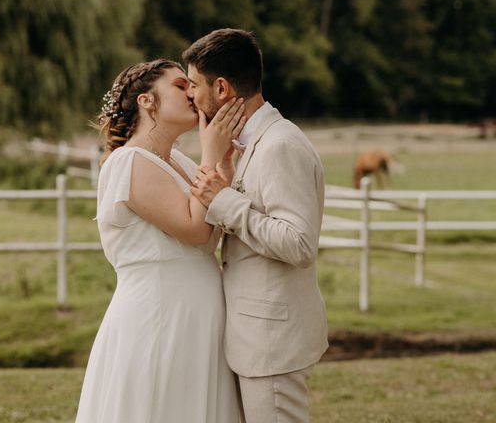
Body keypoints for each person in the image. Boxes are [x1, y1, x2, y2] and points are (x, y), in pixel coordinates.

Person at [75, 59, 245, 423]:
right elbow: (195, 228)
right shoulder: (126, 162)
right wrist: (211, 154)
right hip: (158, 317)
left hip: (199, 316)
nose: (192, 93)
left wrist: (222, 170)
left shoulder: (181, 162)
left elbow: (209, 237)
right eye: (180, 86)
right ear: (146, 101)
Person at [185, 29, 328, 423]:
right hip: (255, 337)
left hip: (274, 341)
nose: (190, 97)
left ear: (222, 88)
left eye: (195, 85)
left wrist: (224, 202)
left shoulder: (280, 145)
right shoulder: (249, 145)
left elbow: (299, 244)